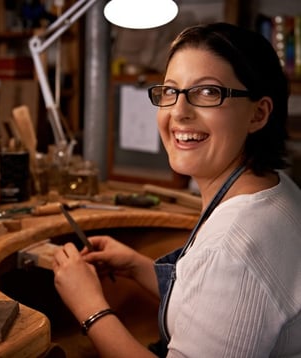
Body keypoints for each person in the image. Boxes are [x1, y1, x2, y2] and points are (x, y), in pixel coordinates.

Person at [50, 22, 301, 357]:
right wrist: (138, 266)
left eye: (209, 92)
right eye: (170, 92)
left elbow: (231, 273)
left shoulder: (231, 250)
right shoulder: (276, 187)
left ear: (258, 114)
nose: (179, 112)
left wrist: (89, 307)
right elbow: (224, 305)